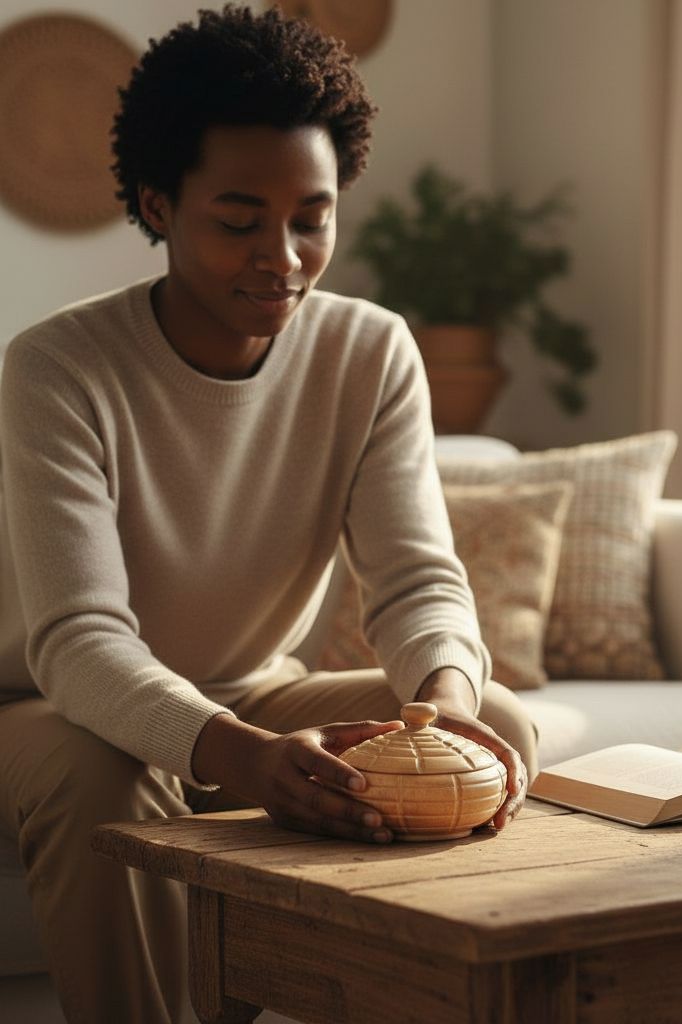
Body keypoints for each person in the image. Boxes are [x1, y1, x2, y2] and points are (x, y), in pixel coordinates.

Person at [0, 6, 536, 1022]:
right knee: (99, 777)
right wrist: (244, 756)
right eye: (239, 220)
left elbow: (416, 579)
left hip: (253, 697)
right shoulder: (58, 367)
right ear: (159, 204)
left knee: (497, 723)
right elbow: (75, 641)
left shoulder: (369, 351)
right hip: (43, 711)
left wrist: (447, 710)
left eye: (312, 217)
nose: (283, 257)